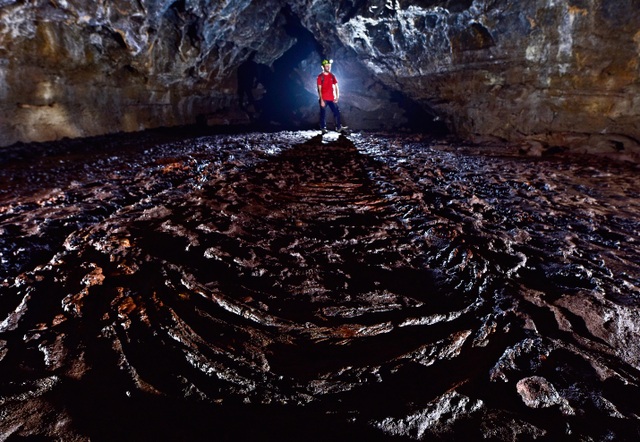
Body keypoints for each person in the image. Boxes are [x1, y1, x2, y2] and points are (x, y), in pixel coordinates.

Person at [317, 59, 348, 134]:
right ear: (323, 67)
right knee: (323, 113)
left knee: (337, 112)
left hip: (331, 98)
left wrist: (337, 96)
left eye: (329, 66)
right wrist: (321, 100)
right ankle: (323, 128)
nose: (328, 67)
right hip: (324, 98)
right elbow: (319, 89)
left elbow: (336, 86)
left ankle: (338, 127)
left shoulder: (332, 76)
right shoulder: (320, 77)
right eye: (326, 66)